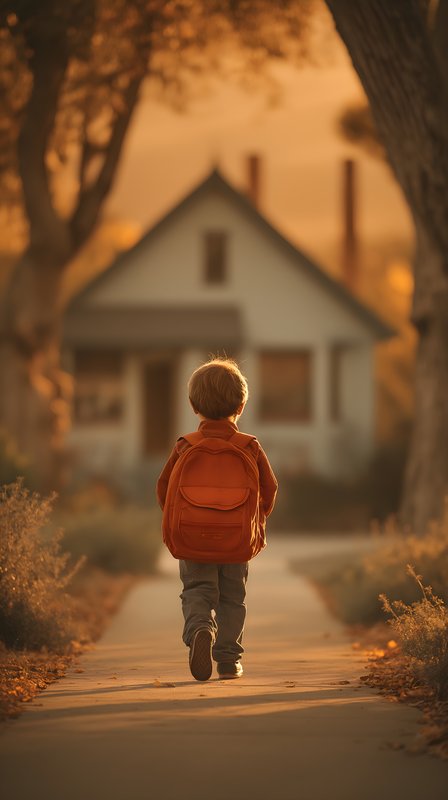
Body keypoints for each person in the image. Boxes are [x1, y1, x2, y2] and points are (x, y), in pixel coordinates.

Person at [156, 357, 278, 681]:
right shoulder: (249, 446)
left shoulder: (185, 446)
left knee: (197, 589)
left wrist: (182, 519)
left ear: (194, 406)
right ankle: (227, 660)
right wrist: (254, 518)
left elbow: (164, 489)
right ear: (240, 406)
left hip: (193, 538)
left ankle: (199, 630)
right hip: (236, 538)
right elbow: (270, 488)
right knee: (233, 597)